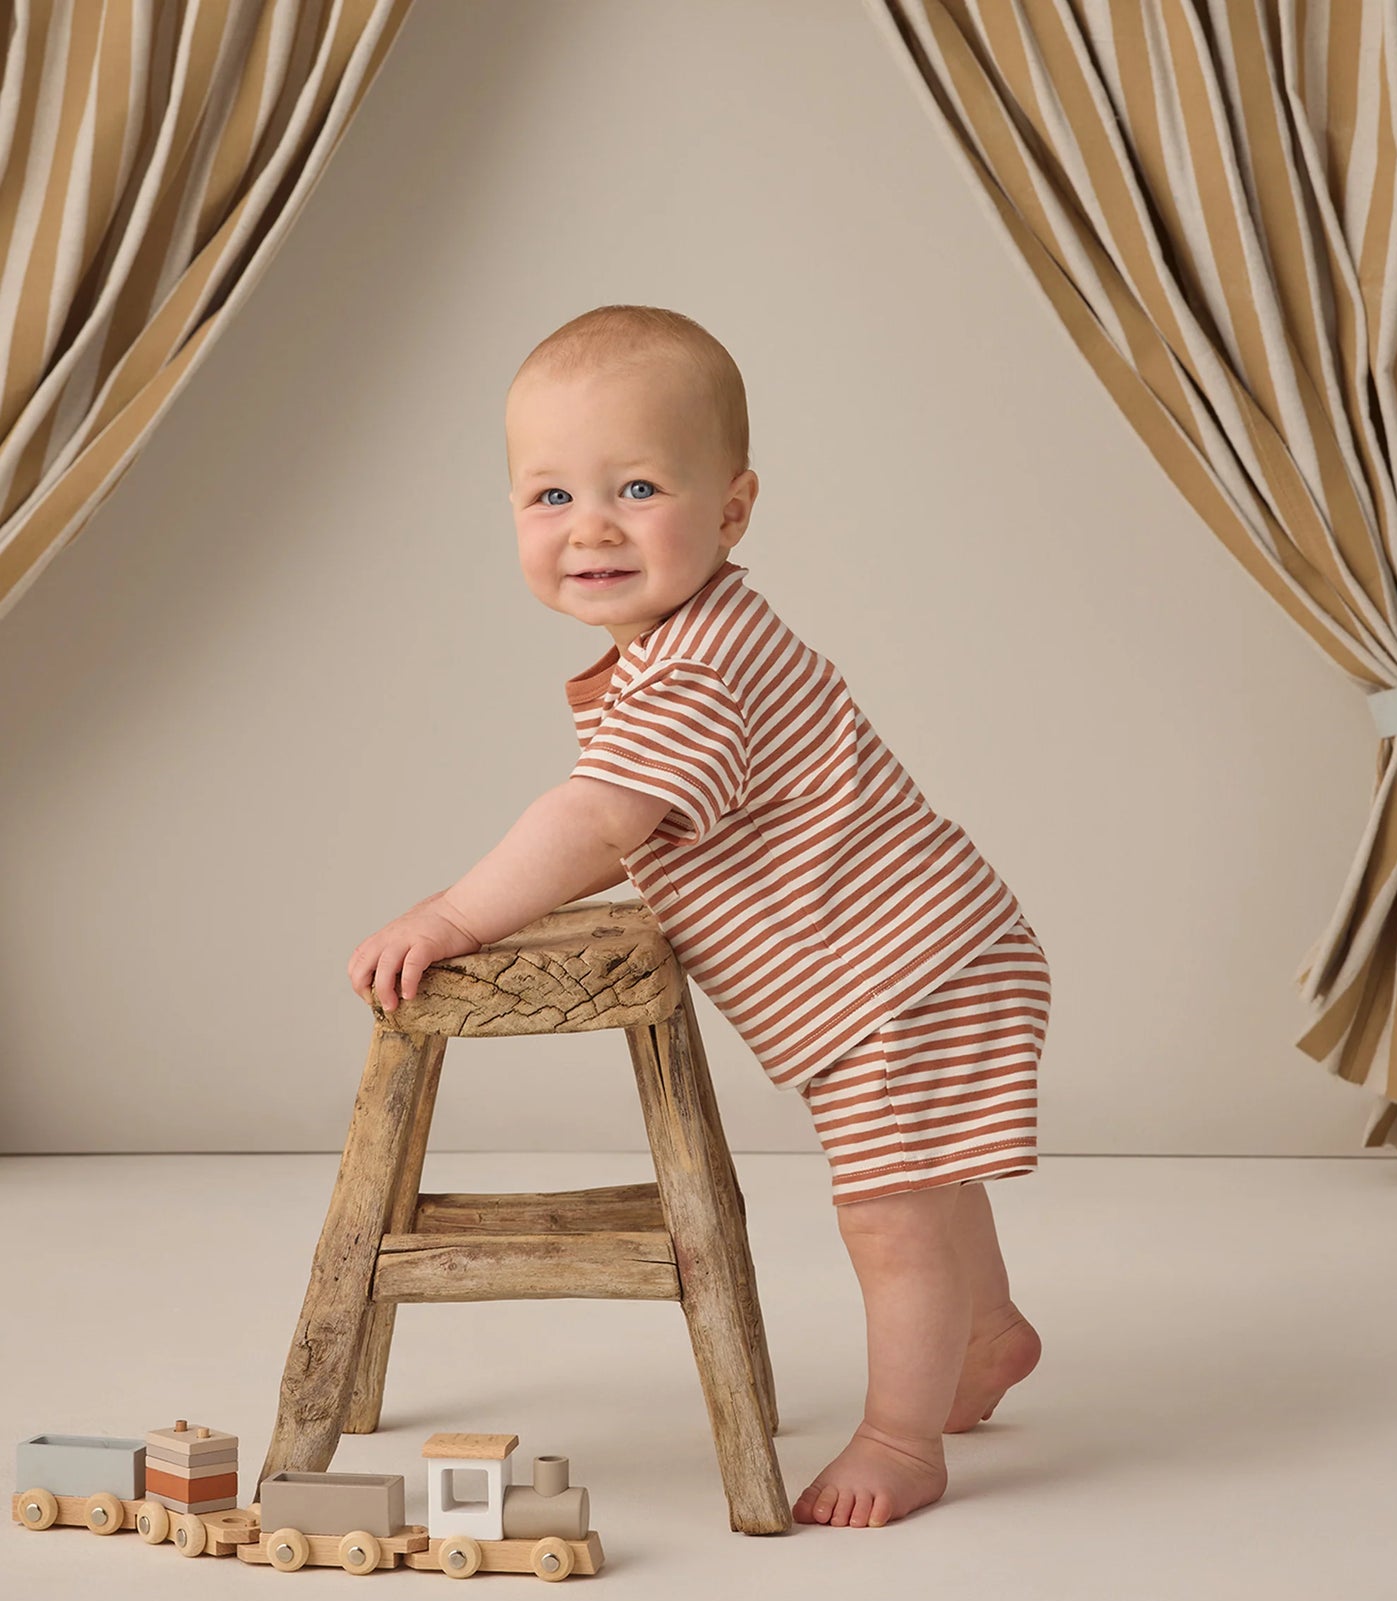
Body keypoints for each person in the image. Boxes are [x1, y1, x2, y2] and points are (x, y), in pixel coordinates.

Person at [348, 304, 1049, 1528]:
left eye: (634, 485)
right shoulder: (674, 649)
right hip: (924, 951)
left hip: (902, 967)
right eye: (549, 497)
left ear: (731, 509)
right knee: (928, 1179)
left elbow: (601, 820)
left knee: (887, 1209)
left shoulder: (696, 666)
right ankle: (984, 1336)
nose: (591, 528)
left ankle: (902, 1438)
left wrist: (457, 912)